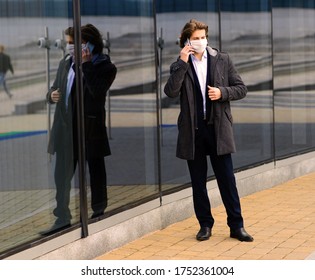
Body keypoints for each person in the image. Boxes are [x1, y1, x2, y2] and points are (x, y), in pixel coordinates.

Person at [164, 19, 253, 242]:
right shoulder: (180, 64)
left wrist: (222, 93)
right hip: (193, 131)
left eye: (203, 37)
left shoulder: (222, 59)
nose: (200, 41)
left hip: (218, 128)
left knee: (227, 180)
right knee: (198, 182)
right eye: (195, 38)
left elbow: (241, 88)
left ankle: (237, 225)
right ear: (186, 41)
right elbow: (171, 92)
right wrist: (183, 61)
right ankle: (205, 225)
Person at [41, 24, 117, 235]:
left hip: (90, 130)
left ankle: (98, 212)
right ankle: (62, 217)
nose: (69, 47)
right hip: (64, 130)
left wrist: (86, 64)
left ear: (89, 43)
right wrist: (51, 95)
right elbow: (54, 86)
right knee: (62, 176)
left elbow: (97, 91)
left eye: (73, 43)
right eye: (68, 43)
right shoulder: (65, 63)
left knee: (95, 172)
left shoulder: (105, 66)